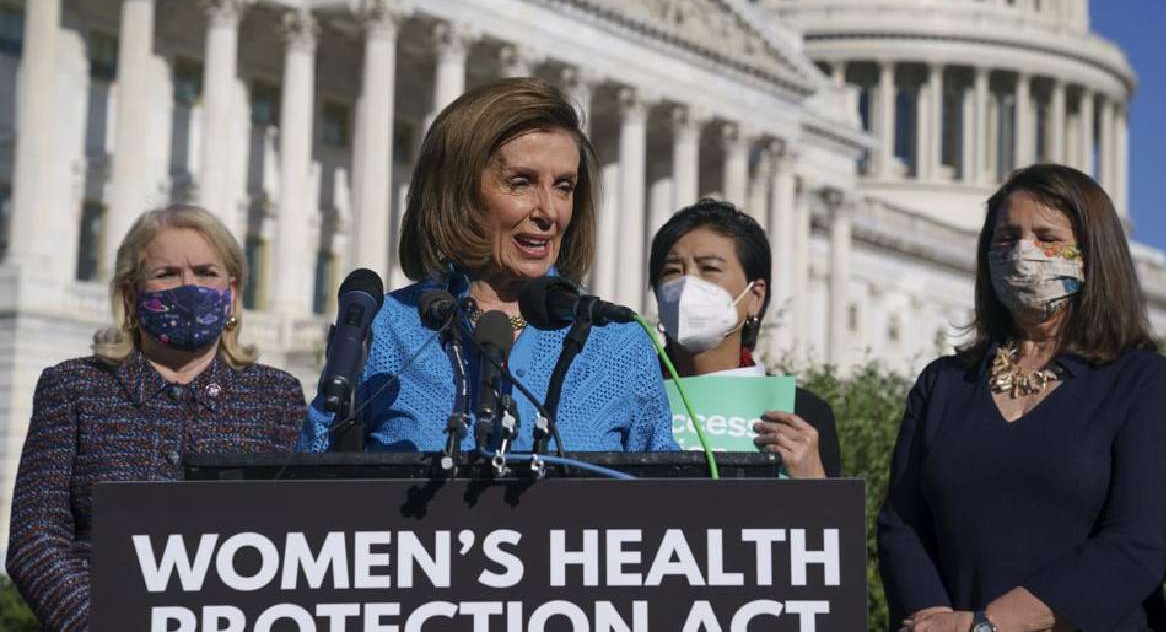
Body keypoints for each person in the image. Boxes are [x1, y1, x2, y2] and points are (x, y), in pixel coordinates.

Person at [878, 164, 1166, 632]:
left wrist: (989, 624)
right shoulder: (944, 383)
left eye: (1047, 238)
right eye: (1007, 237)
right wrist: (936, 620)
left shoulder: (1144, 382)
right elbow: (903, 524)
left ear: (1093, 254)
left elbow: (1140, 542)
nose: (1023, 253)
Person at [298, 78, 676, 452]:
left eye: (564, 186)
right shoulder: (386, 330)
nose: (549, 212)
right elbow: (312, 472)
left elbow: (666, 483)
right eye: (521, 182)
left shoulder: (618, 342)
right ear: (458, 193)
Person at [5, 205, 306, 632]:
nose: (189, 287)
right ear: (130, 295)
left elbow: (295, 538)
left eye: (206, 272)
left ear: (232, 292)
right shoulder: (72, 388)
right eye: (167, 274)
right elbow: (35, 540)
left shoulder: (277, 396)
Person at [647, 198, 840, 478]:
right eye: (672, 271)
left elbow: (831, 507)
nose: (688, 285)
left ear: (755, 297)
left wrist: (813, 480)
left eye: (709, 269)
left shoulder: (802, 416)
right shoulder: (625, 401)